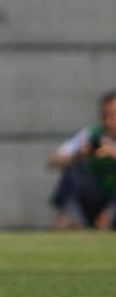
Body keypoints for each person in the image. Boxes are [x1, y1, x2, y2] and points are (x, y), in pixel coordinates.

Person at [47, 91, 116, 230]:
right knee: (74, 169)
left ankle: (108, 219)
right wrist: (79, 154)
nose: (110, 122)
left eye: (114, 116)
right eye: (105, 116)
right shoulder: (92, 134)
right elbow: (54, 161)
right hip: (95, 197)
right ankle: (72, 217)